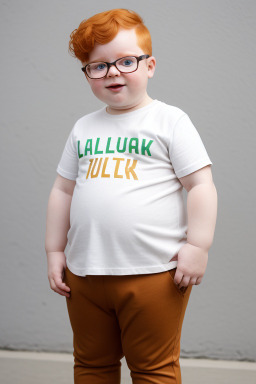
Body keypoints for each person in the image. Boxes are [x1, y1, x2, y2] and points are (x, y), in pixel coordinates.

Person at [45, 8, 217, 384]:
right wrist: (55, 251)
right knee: (91, 365)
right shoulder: (83, 128)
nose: (113, 72)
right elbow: (62, 190)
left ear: (150, 65)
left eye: (126, 61)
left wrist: (198, 246)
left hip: (155, 273)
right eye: (98, 66)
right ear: (88, 74)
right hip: (85, 274)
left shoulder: (170, 121)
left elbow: (201, 185)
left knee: (153, 368)